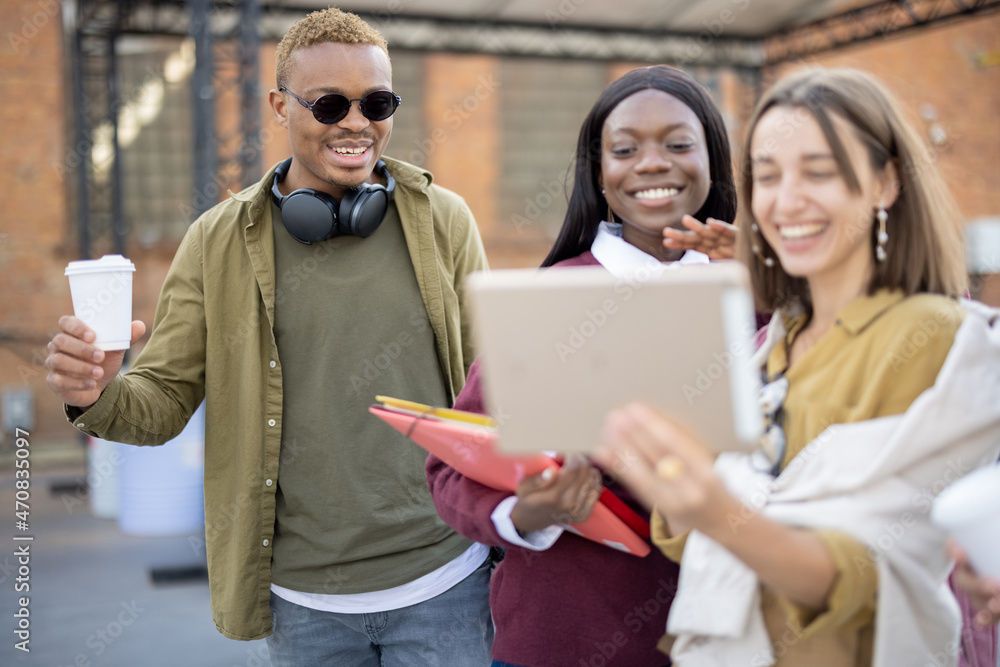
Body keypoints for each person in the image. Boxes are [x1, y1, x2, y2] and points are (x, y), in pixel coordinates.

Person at [44, 8, 493, 666]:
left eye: (376, 102)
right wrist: (96, 389)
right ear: (280, 104)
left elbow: (496, 387)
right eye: (330, 103)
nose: (356, 122)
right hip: (304, 607)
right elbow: (161, 402)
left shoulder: (443, 221)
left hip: (447, 583)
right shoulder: (216, 242)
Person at [595, 67, 1000, 667]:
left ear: (885, 182)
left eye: (820, 172)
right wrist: (669, 479)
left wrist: (711, 504)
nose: (786, 202)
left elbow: (863, 576)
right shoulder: (774, 343)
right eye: (767, 175)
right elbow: (705, 545)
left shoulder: (928, 337)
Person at [426, 65, 738, 667]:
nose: (651, 163)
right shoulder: (550, 304)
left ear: (712, 160)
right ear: (600, 171)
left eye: (678, 144)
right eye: (624, 149)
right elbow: (450, 470)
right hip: (565, 641)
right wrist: (530, 513)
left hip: (736, 639)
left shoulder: (762, 301)